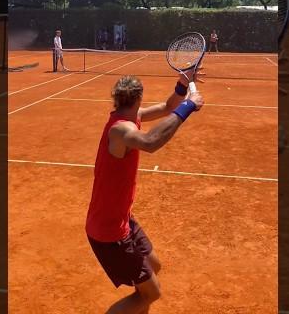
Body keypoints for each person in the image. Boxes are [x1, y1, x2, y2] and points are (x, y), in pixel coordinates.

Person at [86, 73, 205, 314]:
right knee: (152, 293)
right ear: (139, 98)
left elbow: (167, 106)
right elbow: (151, 141)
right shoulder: (121, 130)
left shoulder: (130, 117)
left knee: (154, 267)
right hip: (109, 231)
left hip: (122, 220)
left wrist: (182, 85)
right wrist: (189, 106)